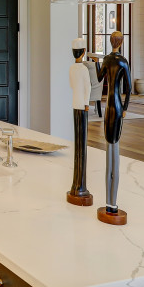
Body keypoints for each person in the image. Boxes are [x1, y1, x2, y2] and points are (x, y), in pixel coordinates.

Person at [95, 30, 131, 225]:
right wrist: (125, 108)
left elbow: (100, 79)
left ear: (110, 42)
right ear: (121, 41)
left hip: (108, 105)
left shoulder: (107, 60)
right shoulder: (123, 61)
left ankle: (110, 201)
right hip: (117, 106)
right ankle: (112, 202)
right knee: (114, 149)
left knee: (110, 147)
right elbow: (129, 88)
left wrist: (96, 64)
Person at [67, 38, 93, 206]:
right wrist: (86, 103)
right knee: (82, 141)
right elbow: (88, 87)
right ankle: (80, 185)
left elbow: (72, 85)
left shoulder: (71, 68)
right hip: (82, 105)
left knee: (78, 139)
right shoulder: (83, 69)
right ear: (83, 52)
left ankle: (77, 184)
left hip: (74, 103)